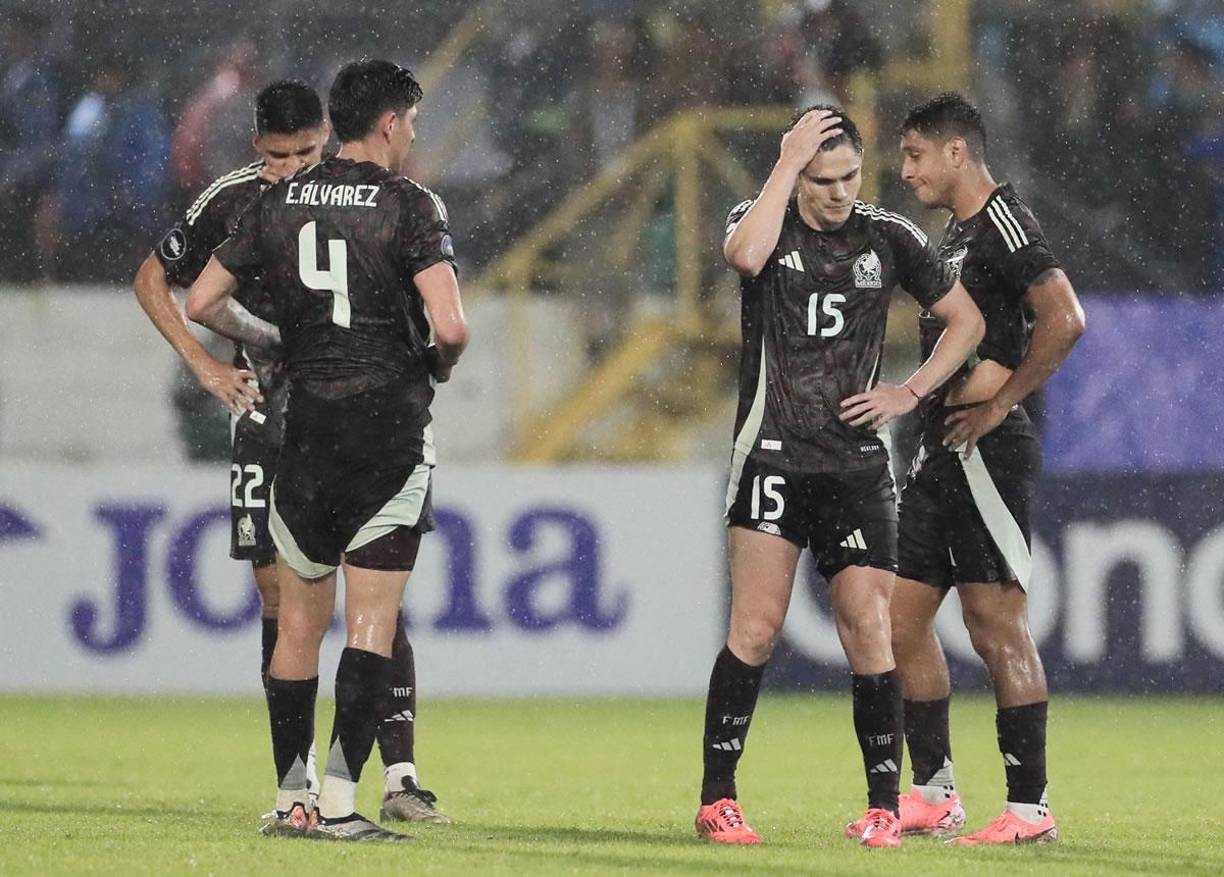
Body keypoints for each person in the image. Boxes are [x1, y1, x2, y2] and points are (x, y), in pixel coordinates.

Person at [137, 77, 450, 833]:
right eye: (277, 156)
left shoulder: (344, 198)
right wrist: (207, 364)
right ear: (257, 148)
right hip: (271, 416)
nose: (290, 166)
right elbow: (154, 280)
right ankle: (304, 783)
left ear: (326, 139)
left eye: (305, 152)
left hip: (339, 411)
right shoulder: (237, 199)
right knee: (283, 601)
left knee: (373, 593)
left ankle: (398, 772)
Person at [695, 106, 984, 849]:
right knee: (754, 628)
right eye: (822, 179)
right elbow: (743, 258)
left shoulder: (889, 236)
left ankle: (883, 806)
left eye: (849, 176)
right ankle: (718, 799)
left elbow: (967, 321)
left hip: (855, 467)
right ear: (798, 175)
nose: (838, 192)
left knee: (868, 628)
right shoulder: (762, 220)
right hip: (770, 455)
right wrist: (785, 163)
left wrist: (908, 392)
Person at [883, 92, 1085, 845]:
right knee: (898, 622)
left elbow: (1065, 318)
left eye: (915, 155)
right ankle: (934, 792)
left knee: (995, 625)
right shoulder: (960, 232)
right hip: (940, 447)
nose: (907, 171)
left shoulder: (1005, 220)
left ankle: (1030, 811)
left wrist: (1003, 402)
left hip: (985, 451)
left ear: (957, 151)